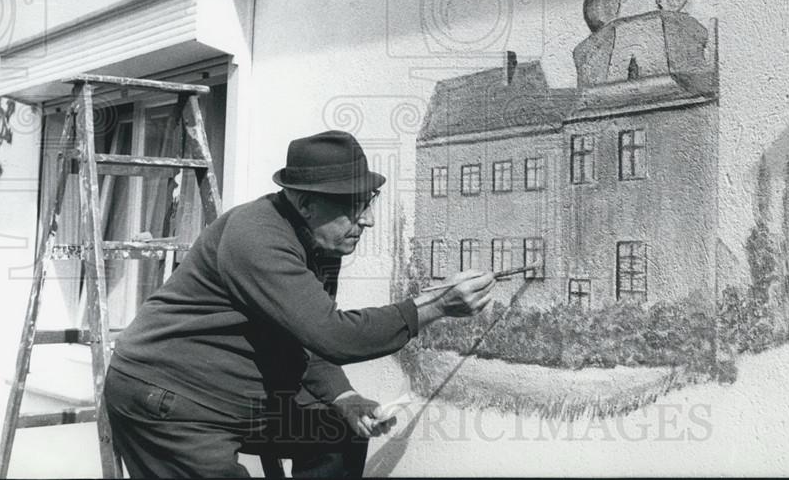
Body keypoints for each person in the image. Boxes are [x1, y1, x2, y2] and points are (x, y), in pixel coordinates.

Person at [103, 130, 495, 478]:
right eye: (355, 205)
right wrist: (435, 305)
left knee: (339, 431)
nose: (369, 220)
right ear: (306, 204)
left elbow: (307, 334)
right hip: (168, 401)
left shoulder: (322, 241)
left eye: (370, 201)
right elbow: (334, 335)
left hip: (234, 401)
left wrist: (343, 397)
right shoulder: (256, 236)